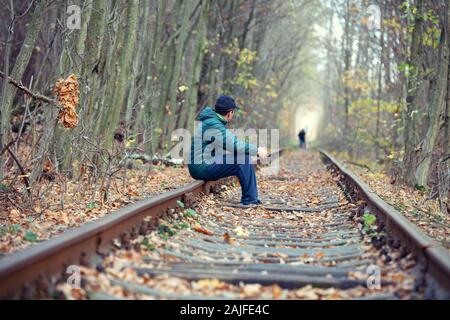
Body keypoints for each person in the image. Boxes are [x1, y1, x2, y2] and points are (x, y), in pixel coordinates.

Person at [188, 95, 268, 205]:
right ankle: (250, 200)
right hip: (201, 167)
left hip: (203, 163)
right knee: (243, 159)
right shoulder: (213, 124)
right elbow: (233, 144)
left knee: (242, 157)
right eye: (233, 112)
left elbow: (230, 143)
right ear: (230, 113)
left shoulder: (212, 121)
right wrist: (257, 150)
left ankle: (251, 198)